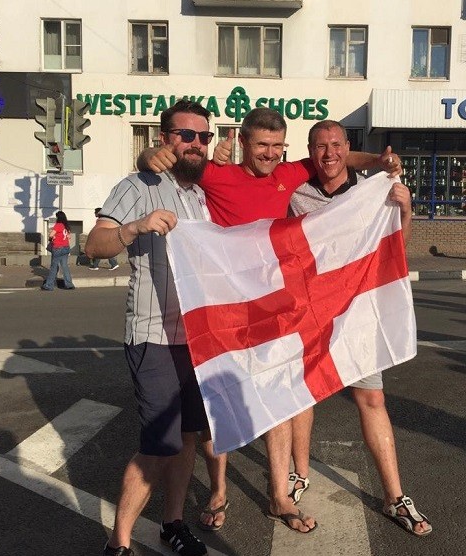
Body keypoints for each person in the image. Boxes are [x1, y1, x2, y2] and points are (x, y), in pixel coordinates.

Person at [137, 107, 401, 534]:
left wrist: (379, 162)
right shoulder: (216, 174)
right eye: (262, 145)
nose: (271, 154)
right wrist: (147, 154)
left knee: (280, 394)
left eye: (279, 147)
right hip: (225, 307)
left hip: (274, 306)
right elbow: (173, 160)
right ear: (243, 142)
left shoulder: (288, 173)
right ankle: (219, 489)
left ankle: (279, 495)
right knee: (216, 401)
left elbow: (335, 158)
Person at [286, 120, 431, 536]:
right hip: (310, 313)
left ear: (348, 148)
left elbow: (394, 252)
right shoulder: (295, 194)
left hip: (357, 313)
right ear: (310, 150)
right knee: (301, 397)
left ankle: (394, 495)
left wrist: (404, 210)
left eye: (336, 145)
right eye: (319, 146)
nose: (328, 154)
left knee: (371, 398)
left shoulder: (373, 191)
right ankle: (299, 473)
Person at [84, 100, 216, 556]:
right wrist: (136, 226)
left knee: (186, 439)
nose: (197, 144)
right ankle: (118, 543)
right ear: (165, 139)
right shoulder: (137, 186)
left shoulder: (200, 198)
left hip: (196, 338)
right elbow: (94, 244)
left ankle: (172, 523)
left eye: (204, 137)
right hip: (153, 335)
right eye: (187, 135)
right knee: (159, 445)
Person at [41, 210, 75, 291]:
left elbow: (51, 235)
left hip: (58, 248)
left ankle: (49, 285)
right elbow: (69, 237)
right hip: (66, 247)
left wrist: (52, 238)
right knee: (65, 266)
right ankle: (69, 284)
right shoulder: (66, 226)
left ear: (58, 218)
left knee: (54, 267)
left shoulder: (58, 225)